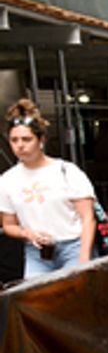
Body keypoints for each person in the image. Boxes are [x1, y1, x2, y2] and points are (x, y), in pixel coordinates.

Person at [0, 98, 96, 278]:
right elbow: (8, 224)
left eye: (26, 139)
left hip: (73, 246)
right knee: (37, 302)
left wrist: (84, 259)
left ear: (41, 140)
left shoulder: (66, 171)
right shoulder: (6, 180)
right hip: (37, 253)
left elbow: (88, 218)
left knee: (74, 299)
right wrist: (26, 233)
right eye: (14, 140)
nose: (20, 145)